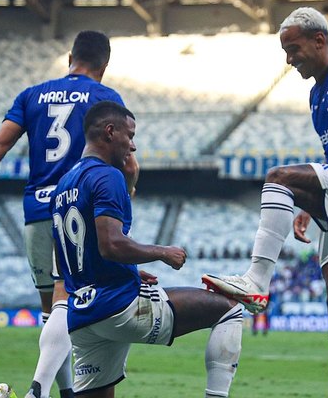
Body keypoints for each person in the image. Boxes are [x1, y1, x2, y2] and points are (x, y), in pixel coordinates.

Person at [203, 6, 328, 398]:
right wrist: (310, 205)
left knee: (278, 178)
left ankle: (257, 280)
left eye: (293, 49)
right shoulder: (316, 93)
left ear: (319, 40)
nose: (289, 60)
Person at [0, 31, 138, 398]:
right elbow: (127, 160)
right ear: (104, 65)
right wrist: (128, 191)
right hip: (79, 209)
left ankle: (66, 392)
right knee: (71, 302)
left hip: (36, 209)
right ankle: (39, 389)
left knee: (52, 309)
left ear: (69, 57)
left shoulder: (31, 95)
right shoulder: (105, 98)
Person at [52, 101, 244, 397]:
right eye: (130, 136)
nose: (133, 145)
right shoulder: (107, 175)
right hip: (118, 306)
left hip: (82, 315)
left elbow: (72, 255)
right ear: (110, 132)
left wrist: (128, 269)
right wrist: (163, 252)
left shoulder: (63, 185)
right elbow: (111, 245)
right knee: (228, 310)